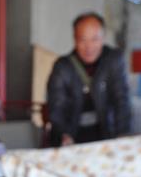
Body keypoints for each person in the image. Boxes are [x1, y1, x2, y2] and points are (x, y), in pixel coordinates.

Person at [46, 12, 131, 146]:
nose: (89, 47)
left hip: (105, 133)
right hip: (72, 136)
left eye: (95, 39)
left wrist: (123, 132)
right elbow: (57, 105)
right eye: (83, 40)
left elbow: (121, 99)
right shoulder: (63, 67)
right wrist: (63, 134)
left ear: (103, 38)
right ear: (75, 39)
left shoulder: (114, 60)